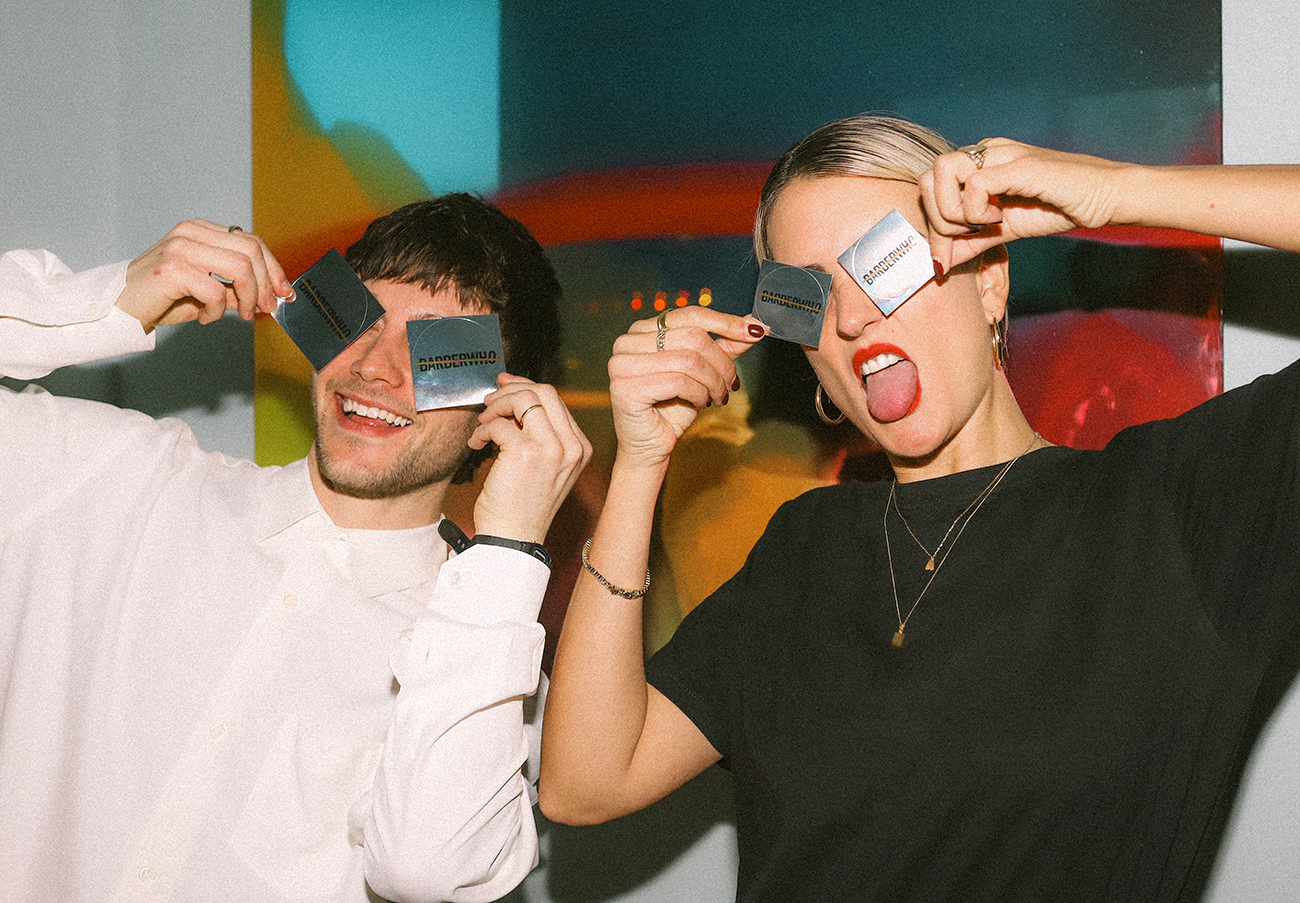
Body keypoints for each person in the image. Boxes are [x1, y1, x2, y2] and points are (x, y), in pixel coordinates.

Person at [539, 115, 1300, 902]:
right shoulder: (803, 551)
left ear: (991, 280)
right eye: (810, 297)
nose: (852, 318)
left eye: (885, 262)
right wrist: (640, 462)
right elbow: (584, 783)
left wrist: (1118, 191)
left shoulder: (1175, 511)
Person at [0, 194, 591, 903]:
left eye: (436, 349)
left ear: (493, 414)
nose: (376, 367)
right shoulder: (112, 479)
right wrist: (101, 302)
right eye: (359, 320)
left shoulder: (489, 668)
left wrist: (508, 548)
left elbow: (426, 868)